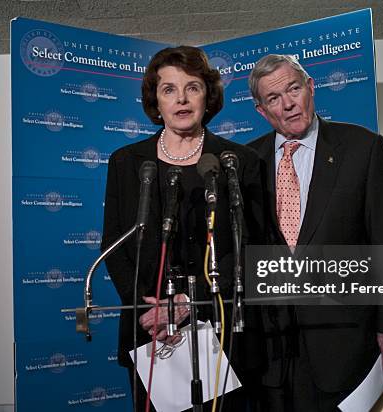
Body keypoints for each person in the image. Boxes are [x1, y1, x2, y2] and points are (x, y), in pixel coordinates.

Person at [101, 45, 264, 411]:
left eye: (192, 87)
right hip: (151, 331)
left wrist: (190, 302)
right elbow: (115, 243)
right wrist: (152, 308)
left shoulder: (240, 162)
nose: (182, 99)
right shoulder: (127, 163)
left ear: (208, 96)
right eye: (169, 89)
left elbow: (251, 247)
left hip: (221, 328)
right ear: (155, 101)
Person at [247, 54, 383, 411]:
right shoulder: (247, 161)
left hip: (344, 339)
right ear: (261, 111)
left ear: (311, 87)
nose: (288, 103)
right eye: (274, 98)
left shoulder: (362, 148)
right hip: (271, 346)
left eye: (293, 88)